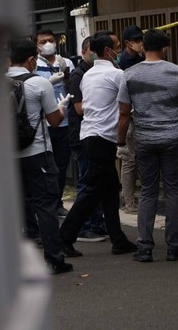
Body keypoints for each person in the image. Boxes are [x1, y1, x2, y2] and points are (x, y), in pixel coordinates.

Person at [117, 28, 178, 262]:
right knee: (173, 192)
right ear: (164, 49)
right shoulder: (177, 72)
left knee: (148, 192)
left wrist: (120, 143)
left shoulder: (128, 75)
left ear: (143, 48)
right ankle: (174, 246)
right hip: (173, 139)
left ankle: (144, 247)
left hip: (144, 140)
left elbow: (123, 114)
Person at [58, 31, 137, 257]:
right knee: (92, 191)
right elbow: (125, 108)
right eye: (117, 47)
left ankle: (117, 238)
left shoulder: (89, 75)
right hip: (103, 138)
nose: (120, 51)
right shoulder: (116, 75)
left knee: (109, 189)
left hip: (91, 136)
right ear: (107, 51)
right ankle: (64, 238)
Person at [6, 38, 73, 275]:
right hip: (38, 154)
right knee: (45, 206)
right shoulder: (39, 83)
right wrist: (62, 106)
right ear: (31, 59)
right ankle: (54, 259)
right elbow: (55, 121)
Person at [67, 36, 107, 242]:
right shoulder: (78, 75)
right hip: (81, 135)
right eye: (91, 50)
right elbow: (79, 108)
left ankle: (97, 223)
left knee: (95, 181)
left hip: (92, 134)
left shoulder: (93, 73)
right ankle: (83, 227)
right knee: (85, 182)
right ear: (83, 52)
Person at [34, 29, 76, 218]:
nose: (47, 44)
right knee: (45, 167)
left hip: (65, 121)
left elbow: (74, 87)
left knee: (61, 165)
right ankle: (43, 204)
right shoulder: (34, 64)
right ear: (37, 44)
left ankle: (57, 203)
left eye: (50, 40)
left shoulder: (65, 62)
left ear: (57, 41)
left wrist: (65, 74)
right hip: (44, 123)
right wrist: (49, 82)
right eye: (43, 41)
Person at [116, 25, 146, 214]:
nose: (140, 43)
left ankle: (132, 198)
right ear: (128, 43)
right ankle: (128, 201)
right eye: (137, 40)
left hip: (139, 112)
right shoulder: (123, 63)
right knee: (129, 160)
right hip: (129, 114)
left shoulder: (140, 58)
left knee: (137, 159)